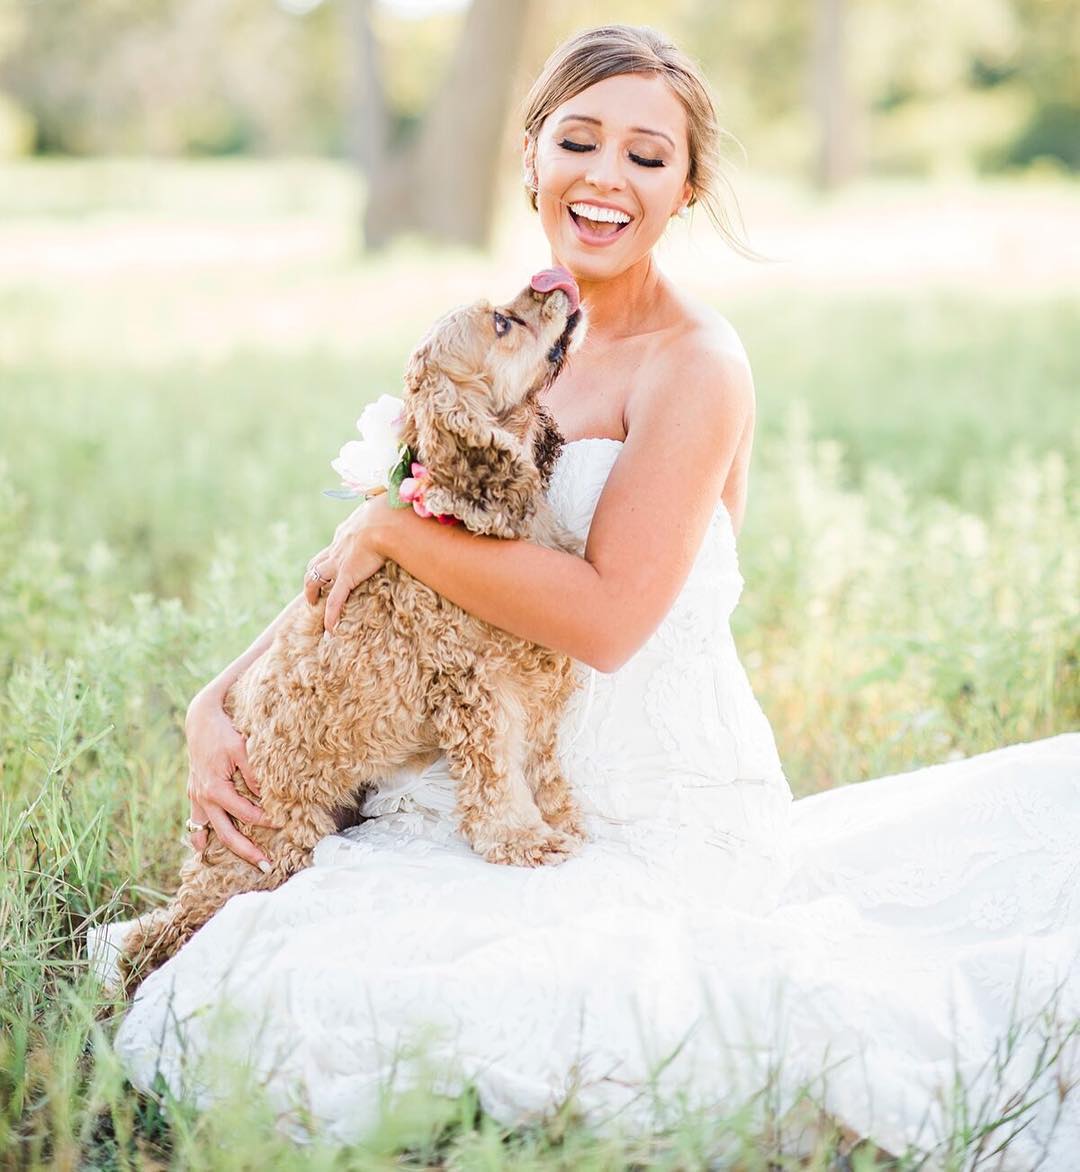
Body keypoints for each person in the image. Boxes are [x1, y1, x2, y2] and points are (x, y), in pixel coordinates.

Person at [91, 25, 1080, 1165]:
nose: (607, 177)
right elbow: (394, 544)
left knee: (403, 1006)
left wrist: (389, 526)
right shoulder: (495, 344)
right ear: (531, 157)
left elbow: (608, 619)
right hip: (480, 773)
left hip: (645, 796)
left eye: (649, 156)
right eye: (580, 140)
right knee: (256, 970)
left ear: (688, 186)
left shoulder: (696, 365)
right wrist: (221, 690)